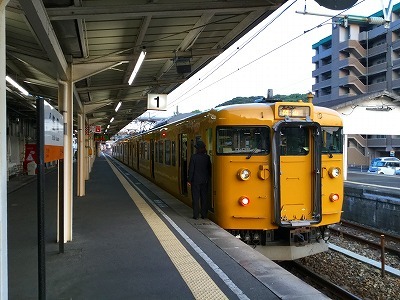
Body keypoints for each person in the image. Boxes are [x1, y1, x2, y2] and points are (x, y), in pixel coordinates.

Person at [187, 140, 211, 219]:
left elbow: (191, 170)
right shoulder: (207, 157)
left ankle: (196, 215)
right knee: (204, 198)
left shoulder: (194, 157)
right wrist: (208, 178)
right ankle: (204, 214)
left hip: (195, 181)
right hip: (205, 181)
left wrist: (189, 180)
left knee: (196, 198)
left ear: (197, 149)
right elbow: (209, 169)